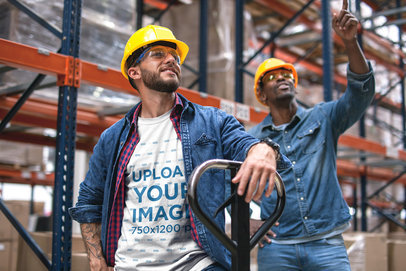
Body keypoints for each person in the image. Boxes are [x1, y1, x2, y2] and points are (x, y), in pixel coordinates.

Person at [69, 25, 290, 271]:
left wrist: (264, 150)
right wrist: (97, 260)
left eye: (174, 56)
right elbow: (90, 202)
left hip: (197, 264)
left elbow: (245, 144)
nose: (171, 60)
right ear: (134, 72)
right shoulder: (112, 139)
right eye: (158, 54)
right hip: (130, 265)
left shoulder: (213, 121)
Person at [248, 0, 375, 270]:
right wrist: (244, 219)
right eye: (273, 77)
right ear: (261, 93)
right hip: (276, 247)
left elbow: (361, 92)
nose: (282, 78)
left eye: (286, 74)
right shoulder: (253, 139)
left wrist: (350, 42)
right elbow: (228, 181)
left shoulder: (323, 118)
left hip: (327, 245)